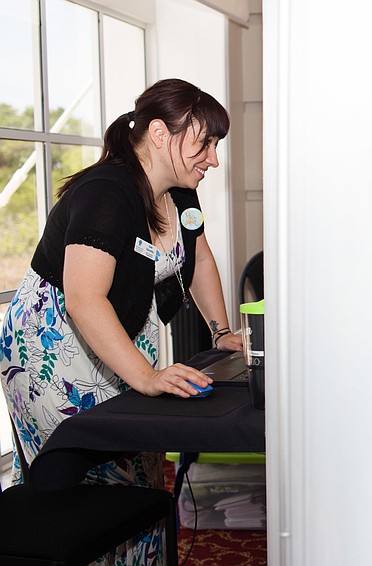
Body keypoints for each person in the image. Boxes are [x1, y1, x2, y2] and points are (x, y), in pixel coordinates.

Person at [0, 78, 242, 564]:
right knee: (86, 489)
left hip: (116, 341)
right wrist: (147, 376)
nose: (213, 159)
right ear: (159, 133)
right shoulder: (106, 193)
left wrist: (222, 333)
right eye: (205, 143)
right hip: (52, 351)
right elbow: (85, 300)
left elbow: (200, 260)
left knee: (139, 479)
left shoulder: (181, 194)